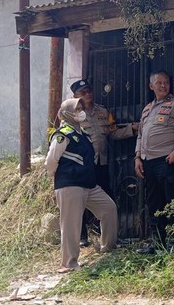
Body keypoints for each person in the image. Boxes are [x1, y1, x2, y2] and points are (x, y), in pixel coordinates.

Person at [44, 98, 118, 273]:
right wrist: (56, 178)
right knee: (71, 224)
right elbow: (51, 160)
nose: (80, 111)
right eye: (77, 109)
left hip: (88, 184)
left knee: (109, 208)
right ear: (67, 113)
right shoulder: (63, 134)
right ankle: (68, 264)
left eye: (81, 108)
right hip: (70, 185)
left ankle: (108, 247)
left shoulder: (82, 133)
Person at [70, 79, 139, 247]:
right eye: (83, 92)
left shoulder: (102, 111)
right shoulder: (73, 115)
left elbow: (113, 133)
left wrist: (132, 129)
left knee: (107, 199)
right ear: (75, 96)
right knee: (81, 200)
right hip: (83, 165)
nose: (88, 94)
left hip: (102, 163)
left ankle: (108, 237)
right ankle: (81, 236)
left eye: (89, 90)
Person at [134, 70, 174, 254]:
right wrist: (137, 157)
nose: (163, 85)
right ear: (151, 86)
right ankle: (157, 243)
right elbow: (140, 135)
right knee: (154, 203)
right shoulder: (146, 109)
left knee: (173, 201)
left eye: (166, 82)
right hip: (148, 163)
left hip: (168, 160)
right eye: (159, 82)